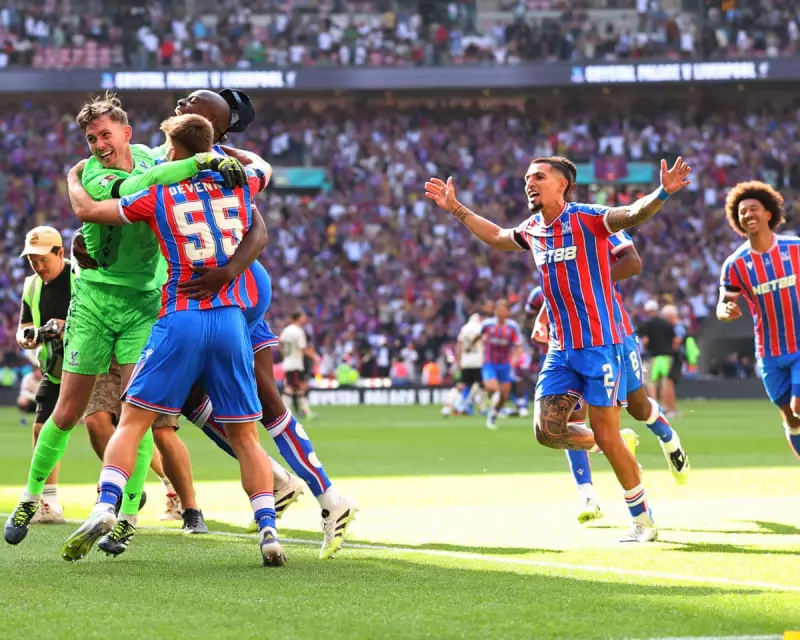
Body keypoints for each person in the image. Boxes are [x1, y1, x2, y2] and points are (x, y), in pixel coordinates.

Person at [3, 92, 250, 548]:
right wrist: (202, 162)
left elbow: (182, 151)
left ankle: (127, 517)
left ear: (127, 133)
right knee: (68, 410)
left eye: (105, 135)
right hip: (94, 301)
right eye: (91, 138)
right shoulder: (94, 175)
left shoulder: (151, 155)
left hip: (143, 304)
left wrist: (226, 157)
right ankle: (31, 497)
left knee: (139, 411)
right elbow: (146, 183)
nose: (98, 145)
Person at [425, 154, 692, 542]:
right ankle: (616, 444)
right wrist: (457, 209)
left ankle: (643, 520)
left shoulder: (588, 218)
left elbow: (632, 215)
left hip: (601, 345)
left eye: (538, 176)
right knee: (547, 430)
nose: (529, 183)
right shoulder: (534, 228)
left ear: (562, 184)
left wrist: (662, 193)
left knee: (615, 426)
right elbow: (498, 236)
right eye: (527, 178)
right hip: (560, 349)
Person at [61, 113, 286, 567]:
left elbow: (91, 213)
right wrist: (226, 154)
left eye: (166, 148)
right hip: (229, 319)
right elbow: (263, 166)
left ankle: (106, 505)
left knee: (132, 421)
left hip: (179, 316)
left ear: (174, 151)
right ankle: (268, 530)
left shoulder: (158, 192)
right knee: (245, 436)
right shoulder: (242, 183)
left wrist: (73, 179)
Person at [532, 231, 691, 523]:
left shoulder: (596, 224)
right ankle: (588, 495)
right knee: (570, 420)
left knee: (638, 406)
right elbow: (563, 287)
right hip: (571, 343)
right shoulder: (550, 234)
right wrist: (543, 315)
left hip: (615, 335)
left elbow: (628, 263)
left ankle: (668, 438)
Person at [717, 181, 800, 465]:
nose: (748, 214)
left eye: (754, 209)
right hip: (769, 353)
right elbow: (723, 303)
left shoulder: (795, 248)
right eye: (742, 212)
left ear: (768, 213)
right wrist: (725, 310)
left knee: (798, 406)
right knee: (790, 417)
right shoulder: (735, 264)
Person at [14, 227, 73, 524]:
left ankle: (169, 488)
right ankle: (49, 502)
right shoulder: (31, 285)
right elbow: (24, 326)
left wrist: (65, 326)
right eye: (32, 260)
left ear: (60, 253)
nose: (37, 266)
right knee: (40, 429)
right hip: (56, 367)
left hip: (92, 365)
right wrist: (27, 337)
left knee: (109, 428)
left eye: (42, 259)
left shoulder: (80, 277)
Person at [471, 299, 522, 430]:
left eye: (503, 310)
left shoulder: (512, 327)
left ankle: (493, 415)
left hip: (505, 364)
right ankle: (483, 392)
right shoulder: (487, 324)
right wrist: (471, 346)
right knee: (494, 388)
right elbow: (478, 335)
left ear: (508, 312)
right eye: (498, 310)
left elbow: (518, 346)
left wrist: (515, 358)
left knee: (503, 396)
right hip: (490, 362)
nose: (500, 313)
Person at [638, 302, 680, 416]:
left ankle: (655, 407)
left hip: (654, 357)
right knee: (665, 383)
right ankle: (667, 407)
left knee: (651, 383)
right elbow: (675, 340)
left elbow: (645, 340)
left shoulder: (647, 324)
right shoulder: (667, 324)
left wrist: (646, 348)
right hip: (667, 357)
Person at [279, 311, 319, 420]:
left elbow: (281, 344)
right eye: (303, 317)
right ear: (298, 318)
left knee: (297, 388)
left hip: (288, 362)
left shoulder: (286, 330)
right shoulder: (298, 331)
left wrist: (286, 356)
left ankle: (304, 411)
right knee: (292, 388)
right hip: (295, 364)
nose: (305, 319)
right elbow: (303, 348)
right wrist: (314, 357)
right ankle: (283, 412)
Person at [443, 313, 484, 417]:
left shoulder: (464, 329)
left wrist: (459, 362)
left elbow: (459, 346)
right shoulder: (481, 328)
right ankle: (481, 408)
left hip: (466, 362)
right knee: (481, 385)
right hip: (478, 362)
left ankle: (448, 406)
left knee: (461, 385)